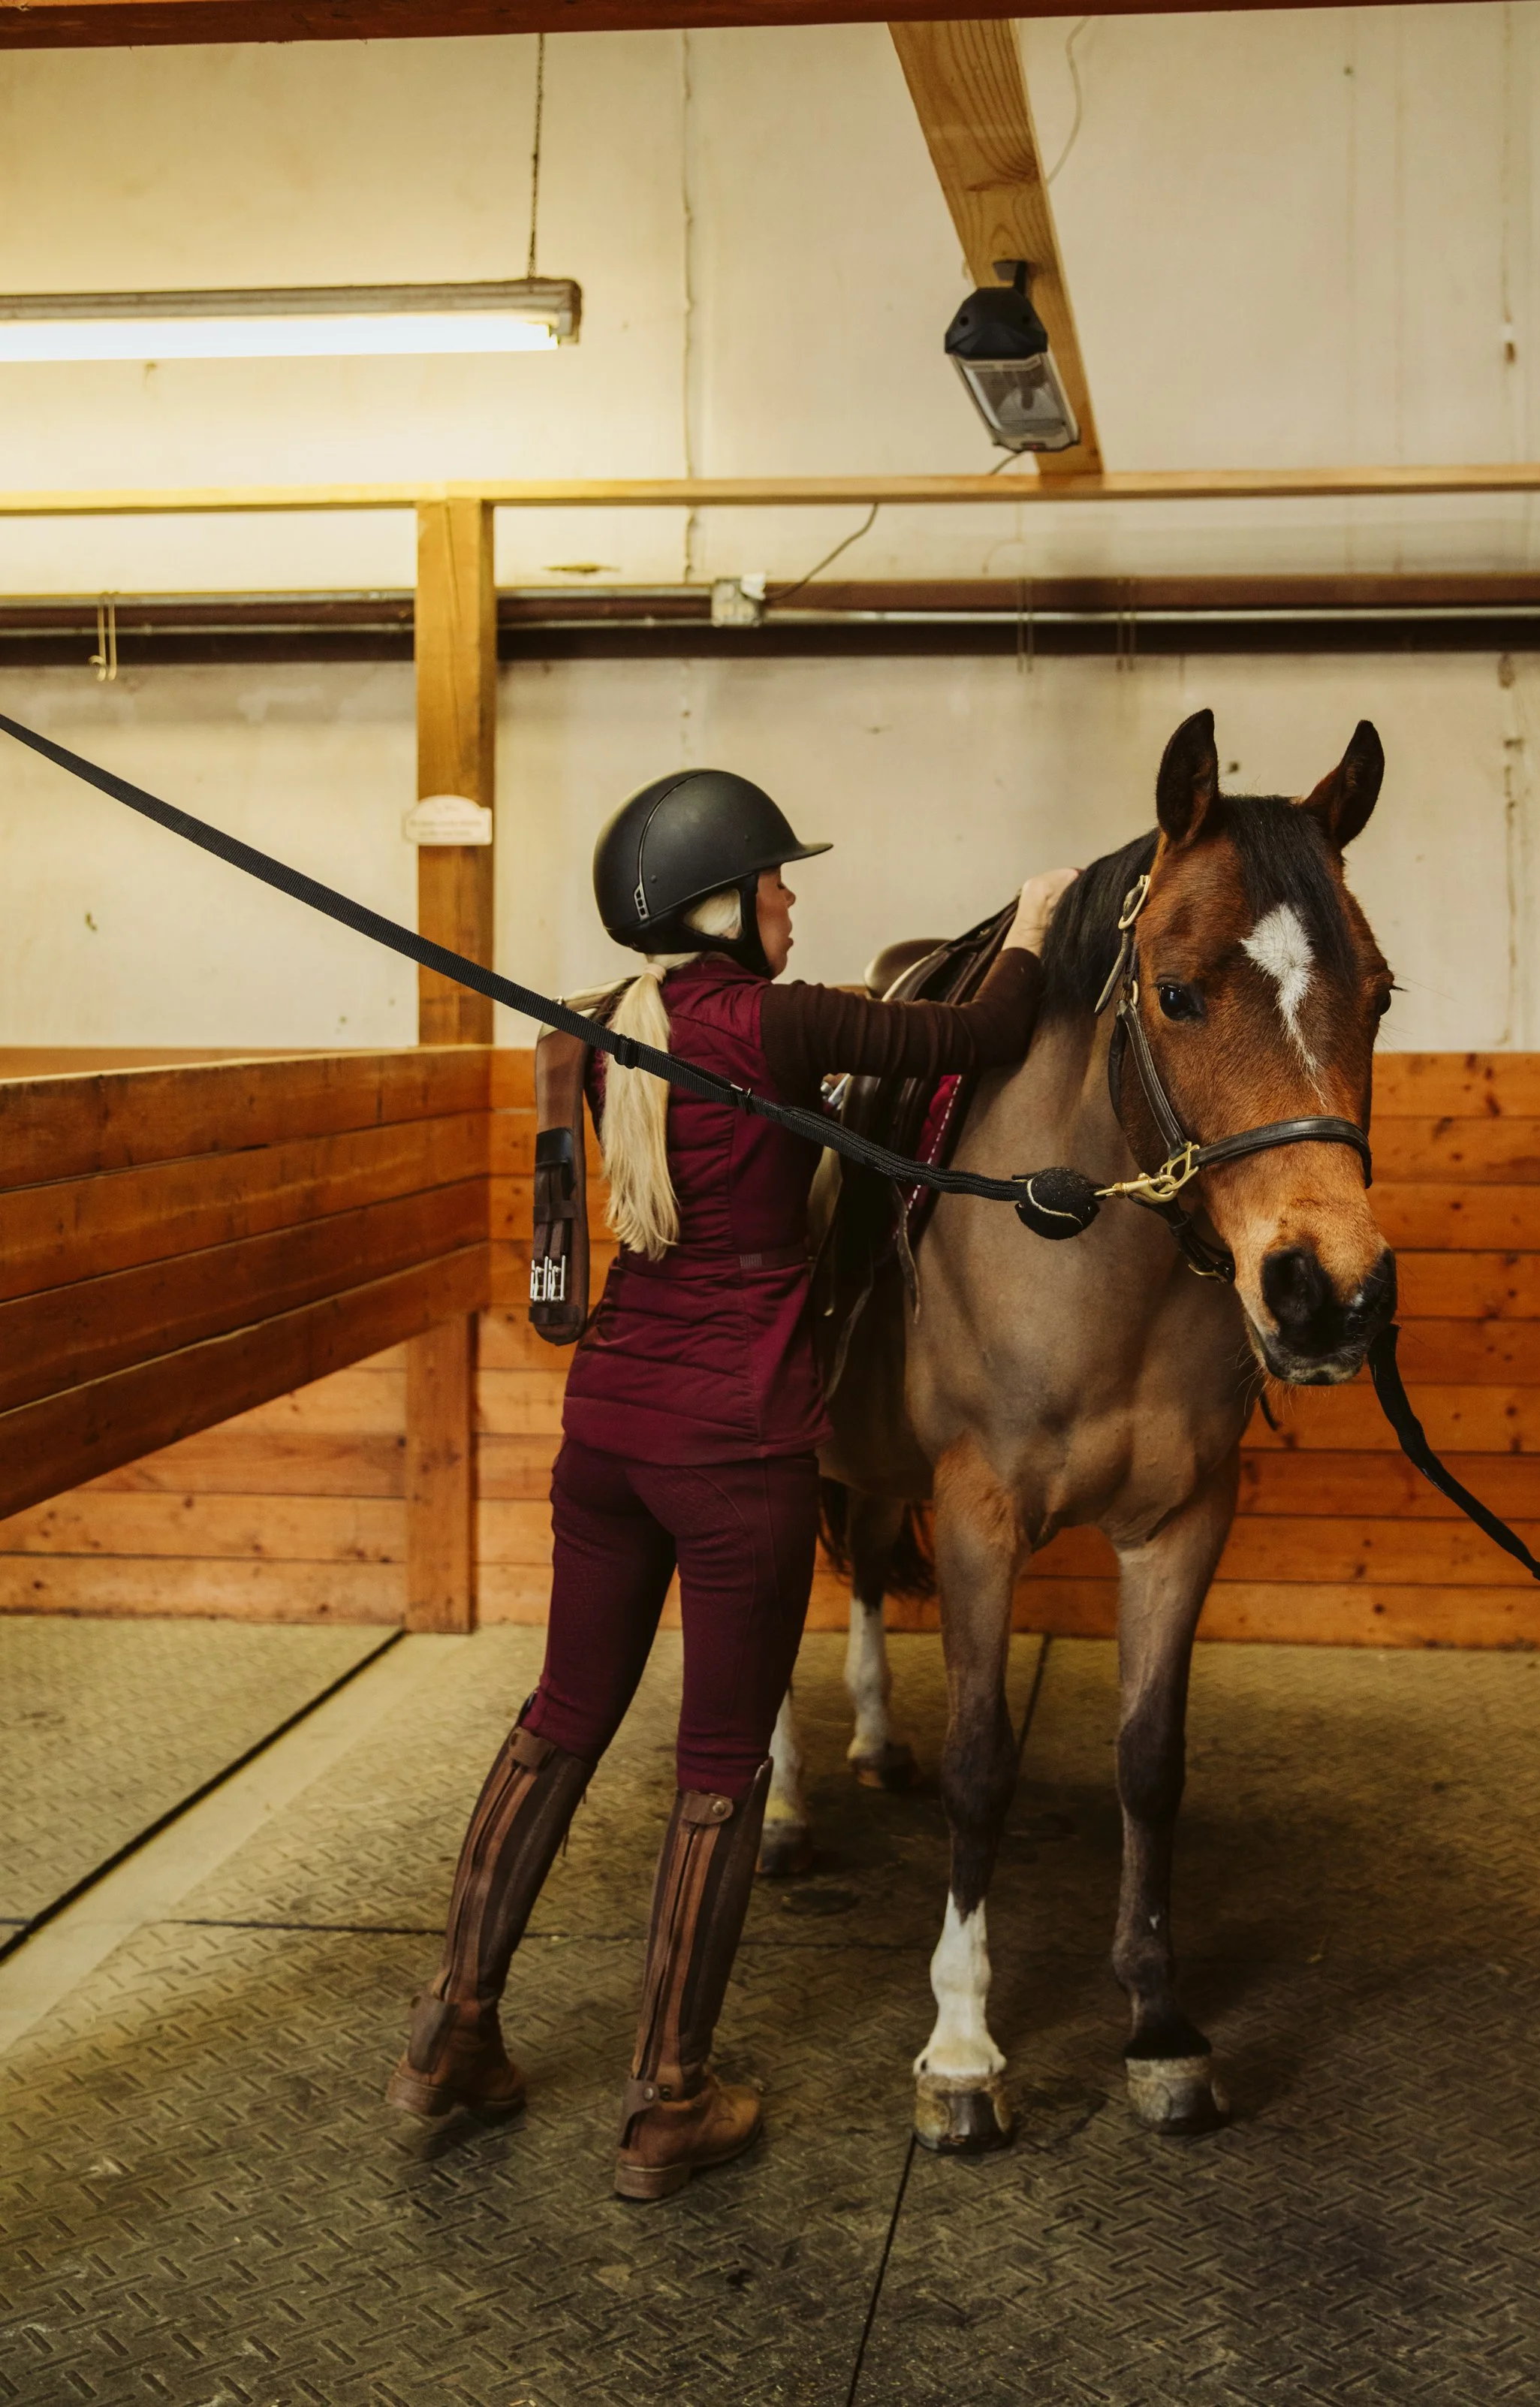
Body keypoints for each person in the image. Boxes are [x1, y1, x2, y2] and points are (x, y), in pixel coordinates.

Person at [387, 765, 1077, 2200]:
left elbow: (570, 1263)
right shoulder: (779, 1020)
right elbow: (985, 1033)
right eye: (774, 880)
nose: (791, 897)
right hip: (741, 1456)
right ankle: (666, 2101)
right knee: (715, 1775)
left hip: (610, 1439)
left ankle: (454, 2031)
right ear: (716, 901)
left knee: (557, 1725)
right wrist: (1032, 922)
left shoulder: (590, 1030)